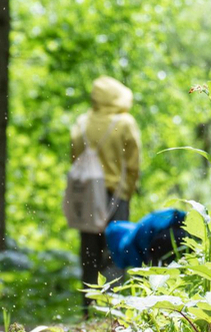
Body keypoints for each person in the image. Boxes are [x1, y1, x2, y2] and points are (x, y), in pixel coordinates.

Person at [70, 76, 142, 315]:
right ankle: (113, 314)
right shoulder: (125, 123)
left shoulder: (81, 124)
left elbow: (74, 158)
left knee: (88, 255)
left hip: (87, 196)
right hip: (115, 196)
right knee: (115, 253)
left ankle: (88, 312)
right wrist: (127, 191)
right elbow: (133, 165)